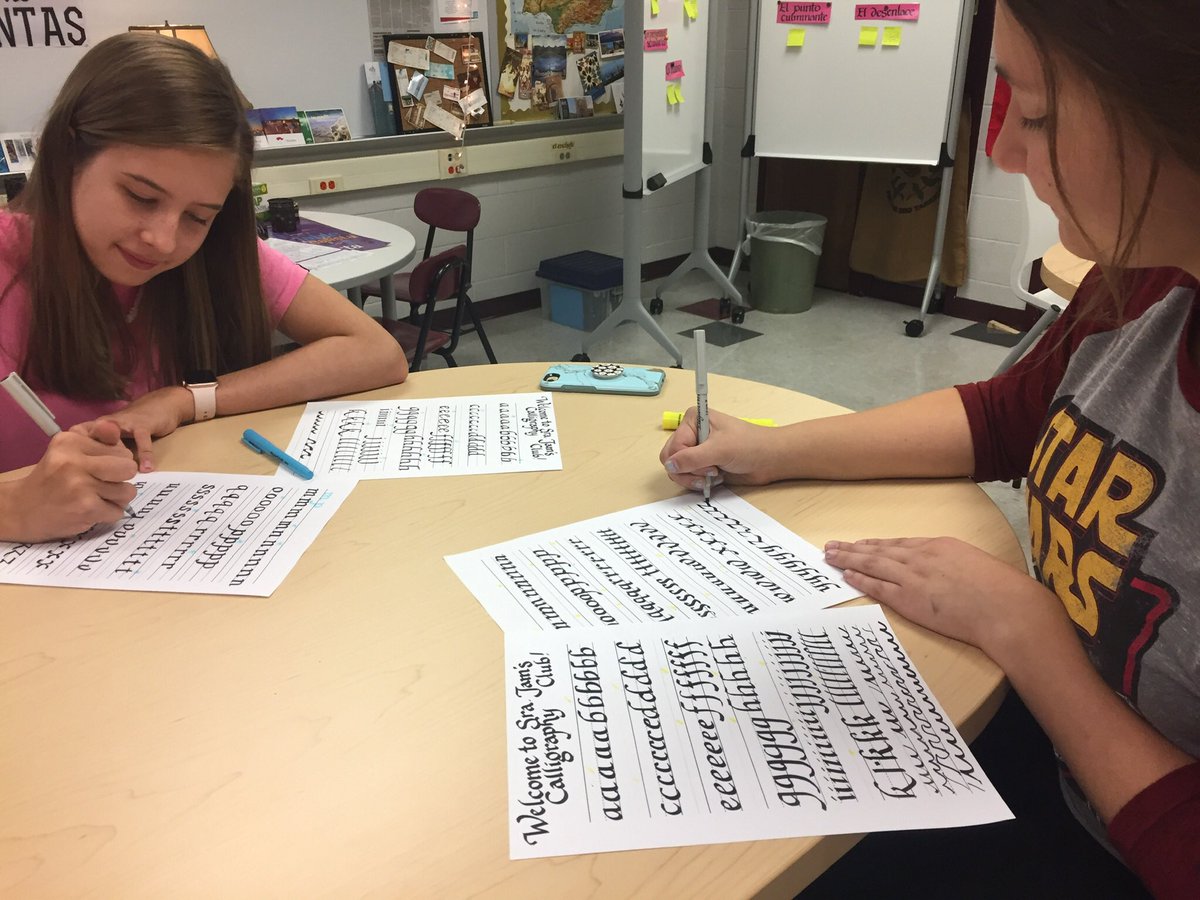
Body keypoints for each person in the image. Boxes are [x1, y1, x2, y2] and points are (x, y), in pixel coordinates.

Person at [661, 1, 1198, 896]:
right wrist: (772, 449)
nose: (1011, 153)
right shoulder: (1150, 279)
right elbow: (1008, 417)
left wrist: (1028, 631)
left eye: (1036, 113)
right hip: (1047, 744)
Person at [0, 32, 409, 543]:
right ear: (67, 154)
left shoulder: (215, 254)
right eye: (141, 197)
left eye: (197, 216)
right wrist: (12, 508)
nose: (163, 241)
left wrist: (186, 400)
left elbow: (377, 352)